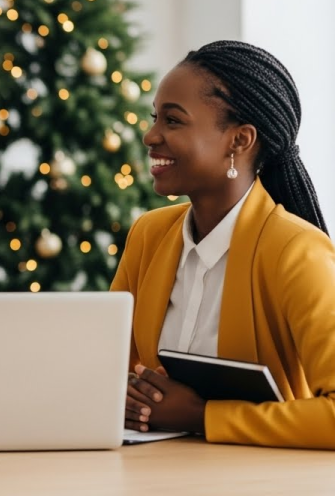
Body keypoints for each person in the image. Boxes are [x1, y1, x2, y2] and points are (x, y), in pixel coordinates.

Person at [113, 40, 335, 449]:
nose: (150, 136)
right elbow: (107, 371)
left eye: (173, 121)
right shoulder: (149, 235)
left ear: (239, 140)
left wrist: (201, 416)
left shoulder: (297, 252)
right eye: (154, 118)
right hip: (149, 475)